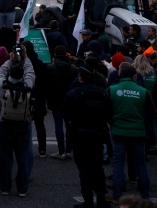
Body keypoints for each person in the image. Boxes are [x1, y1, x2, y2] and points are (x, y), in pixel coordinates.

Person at [62, 64, 113, 208]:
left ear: (81, 78)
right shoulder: (103, 93)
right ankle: (102, 199)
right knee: (97, 168)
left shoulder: (75, 94)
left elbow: (64, 113)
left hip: (80, 136)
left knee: (84, 169)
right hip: (97, 135)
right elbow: (110, 115)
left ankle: (88, 201)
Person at [108, 62, 155, 202]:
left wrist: (114, 122)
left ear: (120, 74)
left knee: (118, 163)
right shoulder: (143, 91)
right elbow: (152, 114)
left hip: (119, 132)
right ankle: (145, 195)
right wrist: (142, 123)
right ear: (135, 76)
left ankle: (117, 194)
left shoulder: (112, 89)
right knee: (140, 163)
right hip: (138, 133)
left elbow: (106, 111)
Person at [0, 45, 35, 197]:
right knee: (22, 157)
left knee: (5, 157)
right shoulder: (28, 85)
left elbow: (0, 73)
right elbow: (30, 73)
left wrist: (10, 59)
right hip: (22, 124)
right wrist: (24, 57)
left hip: (6, 122)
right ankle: (22, 188)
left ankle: (5, 187)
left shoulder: (2, 86)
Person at [46, 45, 78, 160]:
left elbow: (47, 84)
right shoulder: (73, 68)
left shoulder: (50, 68)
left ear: (55, 54)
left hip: (56, 99)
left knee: (58, 125)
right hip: (69, 99)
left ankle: (61, 150)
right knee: (69, 126)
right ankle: (69, 150)